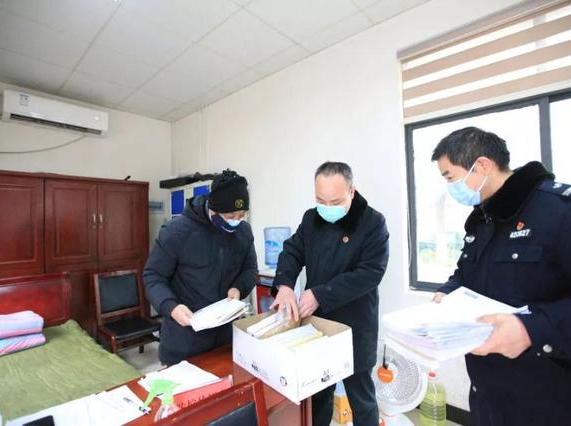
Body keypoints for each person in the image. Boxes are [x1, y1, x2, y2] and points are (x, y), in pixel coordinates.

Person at [431, 127, 571, 425]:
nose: (450, 187)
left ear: (482, 166)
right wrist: (447, 292)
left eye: (450, 177)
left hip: (556, 404)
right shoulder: (482, 220)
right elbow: (466, 273)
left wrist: (531, 330)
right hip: (491, 399)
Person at [270, 161, 389, 426]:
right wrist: (285, 286)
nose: (327, 207)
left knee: (361, 399)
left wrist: (319, 294)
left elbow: (370, 274)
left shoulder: (372, 222)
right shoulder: (311, 218)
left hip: (354, 325)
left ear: (352, 192)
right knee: (318, 394)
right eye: (320, 200)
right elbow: (292, 251)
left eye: (335, 202)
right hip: (318, 325)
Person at [143, 169, 258, 365]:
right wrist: (171, 307)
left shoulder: (243, 232)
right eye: (230, 215)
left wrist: (238, 288)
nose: (236, 220)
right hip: (184, 339)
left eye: (241, 215)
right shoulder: (176, 232)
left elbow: (250, 269)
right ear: (213, 209)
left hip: (225, 338)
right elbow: (153, 276)